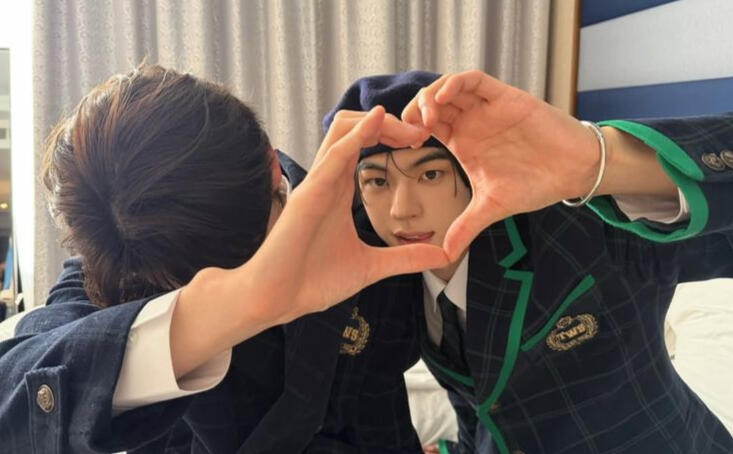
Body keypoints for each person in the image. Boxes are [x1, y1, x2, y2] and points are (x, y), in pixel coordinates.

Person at [0, 65, 447, 453]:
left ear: (272, 167)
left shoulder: (368, 230)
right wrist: (234, 307)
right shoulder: (122, 267)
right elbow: (14, 392)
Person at [325, 70, 733, 453]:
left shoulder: (573, 225)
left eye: (430, 174)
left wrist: (595, 159)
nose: (402, 210)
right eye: (377, 181)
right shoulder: (392, 280)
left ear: (467, 171)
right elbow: (481, 401)